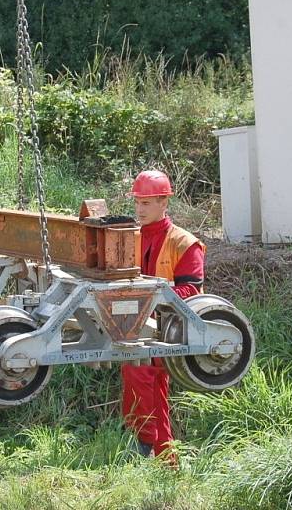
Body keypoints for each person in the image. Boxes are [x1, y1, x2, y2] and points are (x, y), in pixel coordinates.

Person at [121, 170, 206, 460]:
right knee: (151, 391)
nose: (139, 209)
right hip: (138, 328)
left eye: (146, 203)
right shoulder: (129, 239)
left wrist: (148, 303)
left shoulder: (184, 244)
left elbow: (192, 294)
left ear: (163, 203)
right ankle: (166, 463)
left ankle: (145, 447)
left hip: (169, 330)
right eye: (137, 203)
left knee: (141, 376)